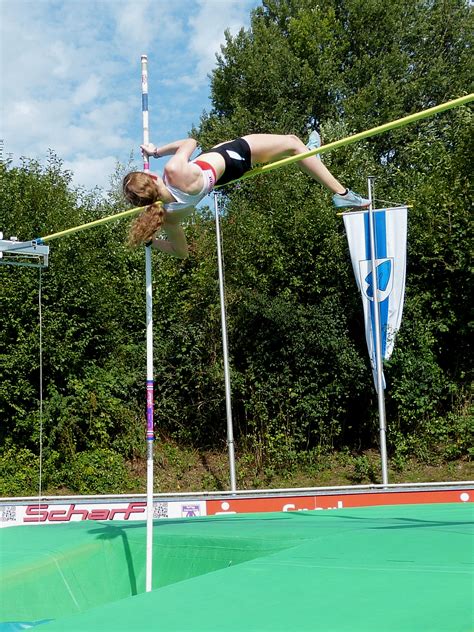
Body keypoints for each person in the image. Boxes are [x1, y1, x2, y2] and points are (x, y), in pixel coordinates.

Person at [123, 132, 369, 258]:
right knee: (293, 141)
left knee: (294, 149)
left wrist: (151, 241)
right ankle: (342, 192)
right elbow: (190, 142)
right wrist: (155, 152)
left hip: (229, 174)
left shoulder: (170, 217)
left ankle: (309, 156)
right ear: (153, 179)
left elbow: (181, 252)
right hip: (231, 155)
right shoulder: (173, 171)